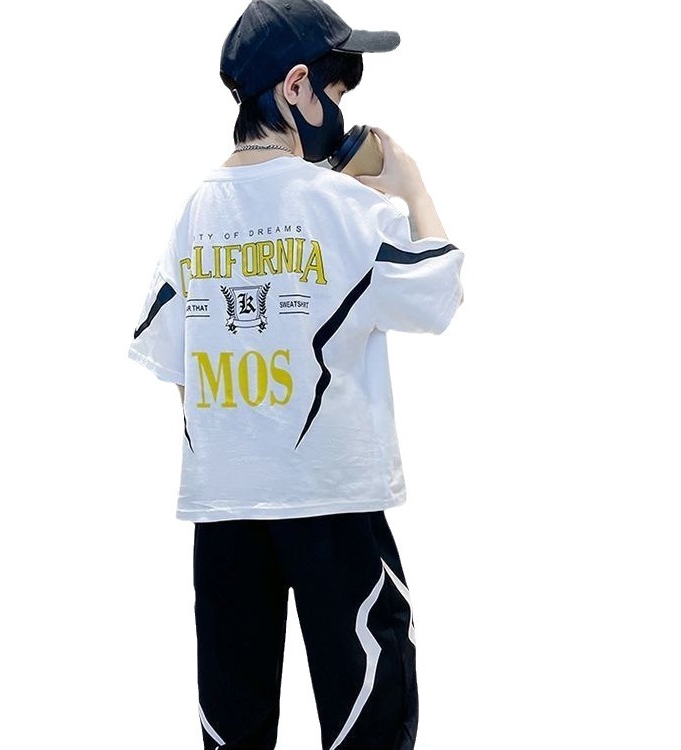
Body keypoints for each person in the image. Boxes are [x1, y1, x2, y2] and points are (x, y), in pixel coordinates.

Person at [127, 1, 465, 748]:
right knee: (369, 713)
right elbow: (438, 294)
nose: (342, 112)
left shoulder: (193, 214)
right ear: (297, 87)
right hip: (333, 501)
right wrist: (411, 186)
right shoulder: (344, 206)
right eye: (338, 91)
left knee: (234, 721)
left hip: (224, 510)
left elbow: (174, 359)